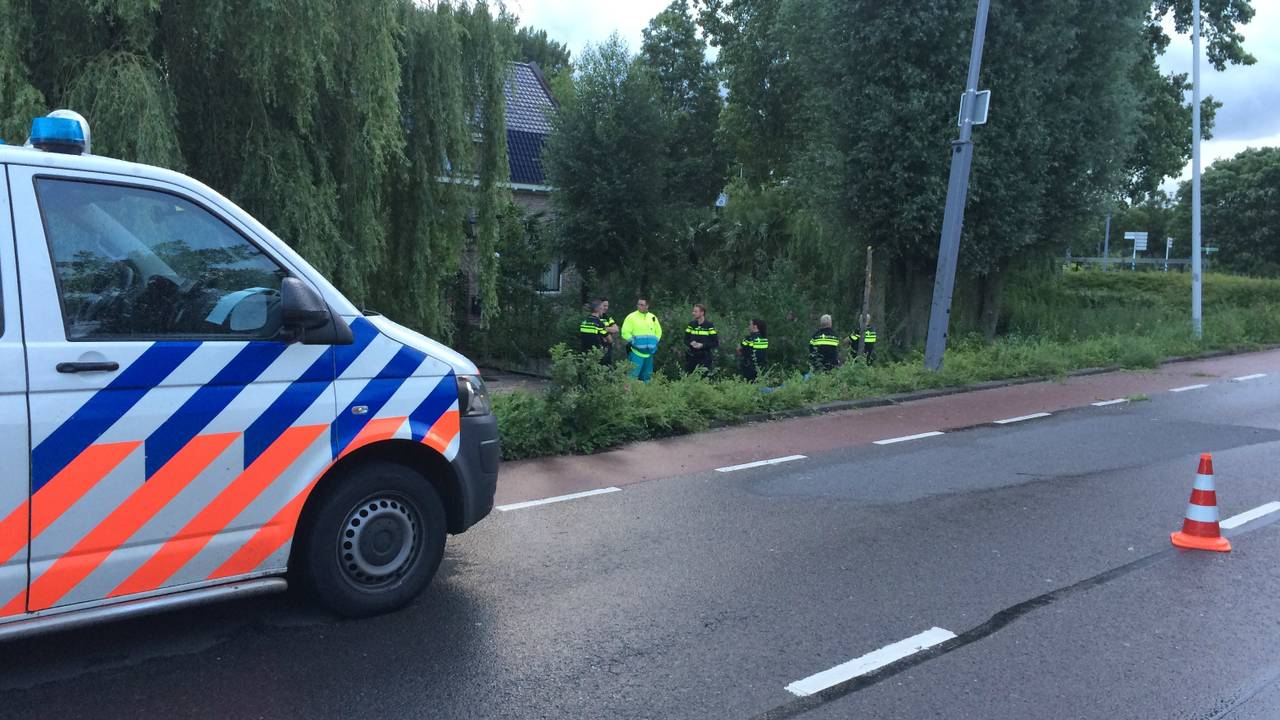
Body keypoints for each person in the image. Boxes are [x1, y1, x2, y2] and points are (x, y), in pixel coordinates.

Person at [621, 298, 662, 382]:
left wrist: (654, 342)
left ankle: (644, 394)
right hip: (636, 352)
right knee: (631, 377)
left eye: (642, 305)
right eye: (638, 304)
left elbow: (659, 331)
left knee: (647, 377)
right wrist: (633, 341)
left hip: (649, 353)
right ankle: (629, 394)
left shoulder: (652, 317)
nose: (639, 306)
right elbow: (624, 332)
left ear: (647, 306)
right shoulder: (631, 317)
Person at [683, 303, 720, 376]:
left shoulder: (709, 325)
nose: (693, 313)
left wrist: (702, 345)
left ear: (702, 312)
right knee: (689, 377)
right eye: (693, 311)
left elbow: (715, 343)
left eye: (695, 311)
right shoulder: (691, 325)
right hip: (692, 357)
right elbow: (685, 339)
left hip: (704, 358)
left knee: (702, 378)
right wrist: (691, 343)